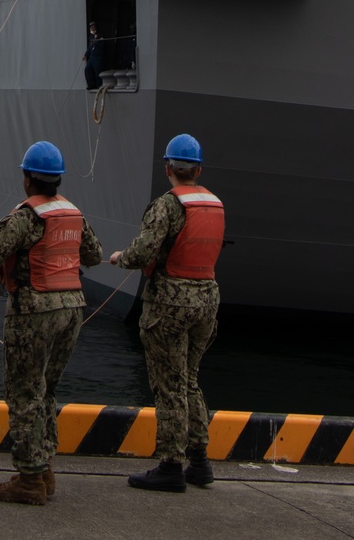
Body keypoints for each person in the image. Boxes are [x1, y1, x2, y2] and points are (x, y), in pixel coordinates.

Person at [0, 141, 102, 505]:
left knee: (23, 393)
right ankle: (45, 468)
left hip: (34, 311)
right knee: (46, 391)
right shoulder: (73, 214)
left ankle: (29, 479)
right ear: (57, 179)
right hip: (73, 311)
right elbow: (94, 256)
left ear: (27, 179)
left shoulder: (25, 217)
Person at [109, 133, 223, 493]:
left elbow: (143, 253)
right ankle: (200, 462)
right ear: (199, 169)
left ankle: (171, 465)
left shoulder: (168, 205)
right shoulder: (216, 203)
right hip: (207, 299)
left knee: (168, 385)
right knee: (189, 379)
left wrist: (119, 259)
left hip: (170, 303)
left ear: (168, 168)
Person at [83, 23, 105, 91]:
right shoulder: (91, 38)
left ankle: (99, 85)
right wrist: (85, 55)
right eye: (91, 28)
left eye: (93, 27)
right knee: (87, 69)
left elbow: (102, 46)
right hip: (92, 57)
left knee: (97, 71)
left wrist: (97, 39)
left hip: (97, 57)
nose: (92, 29)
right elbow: (89, 48)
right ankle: (91, 84)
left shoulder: (100, 36)